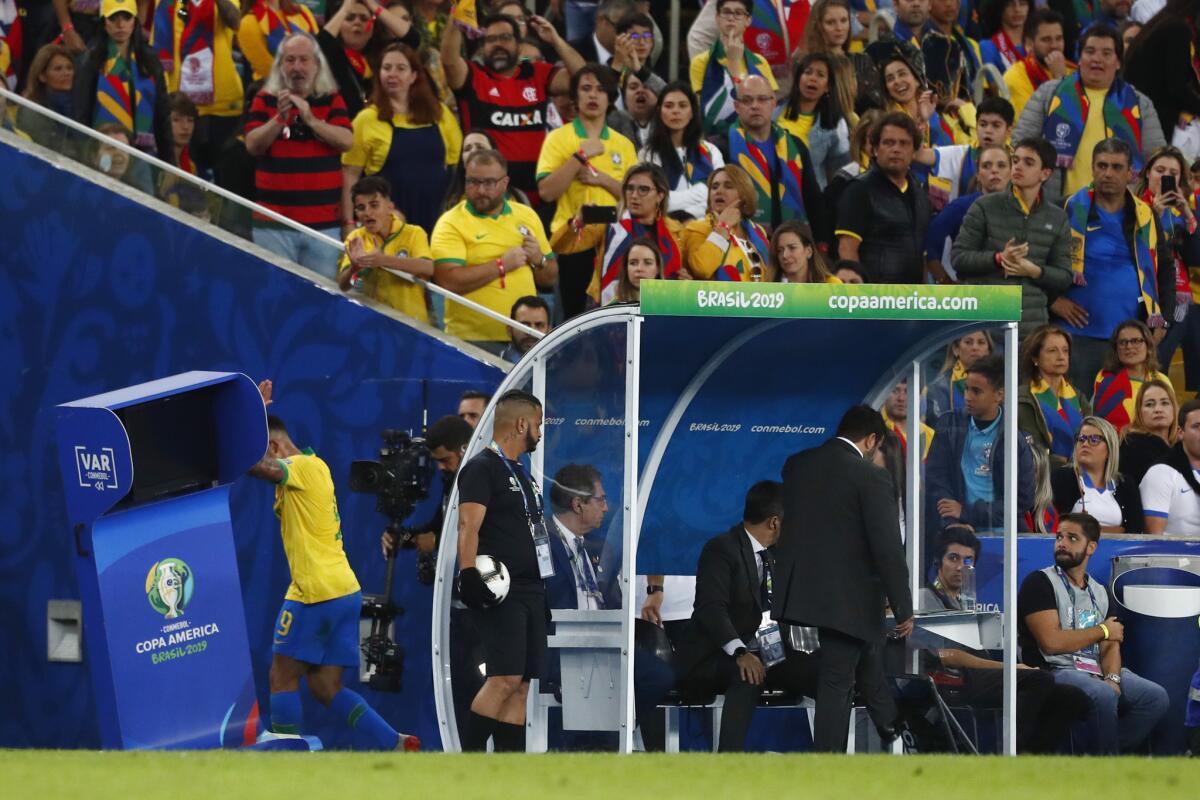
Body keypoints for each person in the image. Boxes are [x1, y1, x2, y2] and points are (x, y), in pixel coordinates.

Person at [248, 382, 420, 751]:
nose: (269, 459)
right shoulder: (316, 468)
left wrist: (249, 416)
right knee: (326, 687)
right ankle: (395, 742)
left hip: (314, 592)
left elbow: (257, 466)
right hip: (344, 591)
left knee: (281, 675)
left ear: (277, 447)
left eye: (269, 451)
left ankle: (287, 757)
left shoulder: (301, 466)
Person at [774, 406, 915, 752]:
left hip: (801, 592)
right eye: (876, 447)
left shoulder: (797, 465)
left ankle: (894, 732)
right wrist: (903, 605)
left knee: (867, 660)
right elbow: (887, 548)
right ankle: (828, 767)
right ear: (870, 440)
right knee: (838, 679)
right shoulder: (872, 477)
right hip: (848, 598)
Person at [675, 481, 822, 752]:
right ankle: (729, 768)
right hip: (719, 655)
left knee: (829, 675)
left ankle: (829, 763)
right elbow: (711, 608)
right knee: (748, 675)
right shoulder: (721, 549)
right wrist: (740, 652)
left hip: (770, 653)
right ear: (775, 522)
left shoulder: (778, 554)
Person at [918, 528, 1092, 753]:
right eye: (953, 558)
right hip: (953, 682)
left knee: (1072, 697)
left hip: (978, 678)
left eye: (968, 560)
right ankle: (1009, 755)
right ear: (937, 562)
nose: (961, 566)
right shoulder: (927, 596)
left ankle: (1033, 761)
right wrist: (1009, 668)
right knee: (1038, 680)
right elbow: (948, 657)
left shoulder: (965, 600)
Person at [544, 463, 674, 750]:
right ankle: (597, 743)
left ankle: (606, 736)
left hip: (605, 643)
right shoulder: (543, 542)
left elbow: (610, 596)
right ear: (578, 504)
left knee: (659, 675)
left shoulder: (598, 546)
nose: (606, 507)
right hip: (562, 648)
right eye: (601, 499)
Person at [1018, 512, 1170, 753]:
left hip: (1096, 668)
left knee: (1155, 697)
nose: (1062, 543)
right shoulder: (1039, 582)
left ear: (1091, 547)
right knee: (1102, 695)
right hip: (1054, 669)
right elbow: (1051, 643)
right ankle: (1105, 766)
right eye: (1059, 536)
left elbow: (1111, 643)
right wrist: (1102, 631)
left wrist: (1113, 678)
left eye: (1072, 538)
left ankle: (1092, 754)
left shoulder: (1099, 590)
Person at [454, 389, 548, 752]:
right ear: (521, 423)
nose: (540, 433)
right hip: (502, 592)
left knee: (522, 684)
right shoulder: (481, 467)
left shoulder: (524, 473)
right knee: (504, 679)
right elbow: (468, 526)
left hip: (532, 590)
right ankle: (467, 768)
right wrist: (467, 574)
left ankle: (510, 776)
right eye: (538, 425)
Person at [1054, 139, 1171, 391]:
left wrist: (1165, 319)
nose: (1108, 173)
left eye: (1117, 167)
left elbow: (1166, 271)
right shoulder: (1066, 209)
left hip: (1130, 341)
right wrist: (1053, 300)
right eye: (1102, 166)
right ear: (1093, 169)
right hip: (1077, 338)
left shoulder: (1145, 215)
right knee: (1081, 418)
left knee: (1126, 418)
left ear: (1130, 173)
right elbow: (1040, 261)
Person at [1012, 24, 1165, 205]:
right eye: (1090, 51)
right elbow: (1020, 145)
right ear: (1079, 58)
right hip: (1057, 209)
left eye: (1106, 53)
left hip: (1120, 211)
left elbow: (1157, 161)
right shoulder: (1050, 93)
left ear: (1118, 62)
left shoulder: (1140, 103)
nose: (1096, 59)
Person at [442, 13, 584, 206]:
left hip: (539, 196)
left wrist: (556, 41)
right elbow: (449, 61)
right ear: (483, 47)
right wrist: (458, 15)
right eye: (490, 39)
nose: (498, 44)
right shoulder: (474, 76)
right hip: (489, 195)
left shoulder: (536, 73)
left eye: (505, 38)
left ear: (519, 44)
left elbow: (583, 78)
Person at [244, 33, 352, 278]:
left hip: (323, 226)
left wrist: (311, 119)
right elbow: (252, 145)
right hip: (272, 224)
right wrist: (279, 119)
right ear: (280, 66)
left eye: (304, 60)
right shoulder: (265, 99)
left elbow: (346, 141)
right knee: (274, 298)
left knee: (320, 302)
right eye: (290, 60)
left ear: (316, 65)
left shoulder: (331, 98)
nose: (297, 67)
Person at [431, 149, 557, 352]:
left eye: (489, 183)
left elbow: (549, 277)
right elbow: (447, 280)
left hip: (524, 339)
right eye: (473, 182)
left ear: (505, 183)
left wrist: (538, 260)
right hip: (472, 340)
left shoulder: (527, 216)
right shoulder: (451, 223)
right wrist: (501, 265)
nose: (480, 190)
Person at [537, 64, 637, 317]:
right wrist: (579, 157)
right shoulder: (558, 138)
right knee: (571, 319)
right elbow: (547, 192)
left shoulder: (623, 144)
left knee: (612, 317)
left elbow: (637, 198)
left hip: (614, 241)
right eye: (586, 88)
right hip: (573, 240)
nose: (593, 95)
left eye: (601, 90)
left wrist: (602, 179)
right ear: (575, 96)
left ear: (610, 97)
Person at [951, 137, 1073, 336]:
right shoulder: (984, 206)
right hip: (987, 324)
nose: (1018, 167)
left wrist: (1034, 271)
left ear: (1046, 173)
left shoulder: (1058, 217)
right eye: (1015, 161)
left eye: (1028, 162)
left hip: (1032, 329)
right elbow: (958, 258)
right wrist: (999, 259)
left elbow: (1064, 277)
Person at [341, 43, 461, 236]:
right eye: (386, 68)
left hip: (437, 220)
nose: (392, 74)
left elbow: (455, 169)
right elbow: (350, 175)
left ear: (414, 76)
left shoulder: (440, 114)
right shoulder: (367, 119)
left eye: (400, 68)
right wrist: (348, 222)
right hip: (388, 225)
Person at [926, 354, 1036, 534]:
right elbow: (937, 481)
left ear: (999, 395)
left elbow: (1021, 501)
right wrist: (953, 522)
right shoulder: (949, 427)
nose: (968, 396)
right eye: (966, 389)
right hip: (955, 530)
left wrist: (966, 513)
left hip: (1004, 536)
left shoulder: (1016, 440)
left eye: (976, 391)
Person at [551, 164, 683, 306]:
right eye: (629, 188)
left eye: (643, 190)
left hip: (662, 309)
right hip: (609, 310)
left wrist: (686, 281)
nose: (634, 195)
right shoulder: (609, 225)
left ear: (660, 195)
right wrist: (578, 222)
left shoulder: (677, 231)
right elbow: (560, 246)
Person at [836, 111, 932, 284]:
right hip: (875, 299)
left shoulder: (920, 191)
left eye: (904, 144)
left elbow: (921, 253)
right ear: (874, 149)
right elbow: (847, 249)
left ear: (913, 152)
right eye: (889, 143)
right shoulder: (858, 189)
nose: (896, 149)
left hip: (912, 299)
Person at [151, 0, 244, 173]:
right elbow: (158, 52)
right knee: (185, 176)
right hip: (182, 108)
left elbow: (236, 21)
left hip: (224, 105)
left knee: (225, 177)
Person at [71, 0, 172, 160]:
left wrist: (170, 163)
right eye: (114, 18)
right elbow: (81, 113)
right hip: (102, 152)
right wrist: (84, 158)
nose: (121, 24)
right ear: (104, 22)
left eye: (127, 17)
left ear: (135, 22)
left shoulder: (149, 59)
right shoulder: (91, 60)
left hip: (144, 155)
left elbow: (162, 114)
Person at [727, 74, 824, 234]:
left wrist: (822, 244)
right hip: (741, 239)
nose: (755, 106)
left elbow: (812, 198)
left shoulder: (796, 146)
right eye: (747, 100)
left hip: (792, 240)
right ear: (737, 106)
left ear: (773, 103)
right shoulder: (724, 146)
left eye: (762, 99)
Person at [1135, 147, 1200, 376]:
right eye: (1160, 170)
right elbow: (1137, 249)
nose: (1166, 177)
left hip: (1176, 299)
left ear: (1181, 178)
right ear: (1147, 173)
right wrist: (1154, 214)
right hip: (1140, 296)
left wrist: (1190, 216)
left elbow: (1195, 258)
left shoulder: (1183, 213)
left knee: (1160, 368)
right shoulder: (1132, 206)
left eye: (1173, 172)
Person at [337, 175, 432, 323]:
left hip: (411, 324)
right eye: (361, 208)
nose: (367, 213)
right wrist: (354, 270)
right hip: (372, 321)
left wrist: (383, 260)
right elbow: (344, 285)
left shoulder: (414, 233)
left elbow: (427, 268)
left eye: (374, 205)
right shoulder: (356, 238)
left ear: (390, 207)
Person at [924, 142, 1012, 284]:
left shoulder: (1021, 208)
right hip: (971, 292)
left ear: (1011, 172)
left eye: (1001, 165)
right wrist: (945, 281)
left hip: (1010, 293)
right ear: (977, 174)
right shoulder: (961, 207)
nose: (994, 170)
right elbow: (928, 244)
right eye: (986, 166)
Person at [637, 82, 724, 220]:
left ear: (692, 112)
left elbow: (721, 196)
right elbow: (652, 201)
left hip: (707, 229)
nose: (675, 111)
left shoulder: (711, 151)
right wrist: (703, 191)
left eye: (682, 106)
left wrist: (675, 199)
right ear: (659, 111)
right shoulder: (648, 154)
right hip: (666, 228)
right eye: (668, 106)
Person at [317, 0, 418, 120]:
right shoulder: (332, 54)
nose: (357, 22)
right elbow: (320, 43)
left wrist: (374, 6)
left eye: (364, 18)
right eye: (350, 18)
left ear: (372, 28)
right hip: (345, 127)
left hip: (381, 125)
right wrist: (345, 8)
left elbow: (413, 38)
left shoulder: (384, 54)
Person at [691, 0, 777, 136]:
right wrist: (734, 64)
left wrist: (735, 63)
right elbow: (707, 113)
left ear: (748, 20)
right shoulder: (701, 62)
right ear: (717, 18)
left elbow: (767, 109)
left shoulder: (760, 62)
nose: (731, 18)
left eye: (738, 13)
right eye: (726, 12)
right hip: (716, 138)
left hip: (754, 137)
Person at [918, 95, 1014, 212]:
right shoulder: (960, 154)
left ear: (1009, 131)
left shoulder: (1018, 162)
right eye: (983, 124)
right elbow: (918, 155)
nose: (988, 130)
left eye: (996, 125)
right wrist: (923, 121)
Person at [1051, 416, 1144, 532]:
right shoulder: (1062, 478)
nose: (1085, 444)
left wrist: (1087, 530)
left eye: (1094, 439)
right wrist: (1117, 530)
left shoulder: (1126, 484)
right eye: (1081, 438)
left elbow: (1135, 530)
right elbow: (1056, 527)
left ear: (1110, 448)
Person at [1018, 324, 1092, 469]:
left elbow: (1094, 435)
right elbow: (1032, 449)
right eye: (1052, 351)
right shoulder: (1023, 398)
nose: (1061, 356)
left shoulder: (1078, 396)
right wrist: (1062, 463)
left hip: (1081, 473)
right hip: (1044, 477)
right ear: (1035, 358)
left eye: (1065, 351)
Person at [1123, 0, 1200, 138]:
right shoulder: (1177, 29)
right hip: (1151, 121)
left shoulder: (1164, 22)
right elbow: (1177, 87)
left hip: (1139, 114)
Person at [681, 165, 770, 281]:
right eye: (714, 187)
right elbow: (702, 269)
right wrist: (723, 226)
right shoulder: (697, 228)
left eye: (728, 186)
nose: (719, 191)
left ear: (744, 194)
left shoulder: (757, 231)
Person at [778, 53, 852, 191]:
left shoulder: (835, 123)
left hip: (811, 197)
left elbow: (842, 170)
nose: (813, 78)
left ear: (828, 86)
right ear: (798, 78)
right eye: (808, 72)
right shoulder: (774, 110)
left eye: (820, 75)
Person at [1092, 319, 1173, 433]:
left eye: (1136, 341)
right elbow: (1097, 420)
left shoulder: (1161, 380)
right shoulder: (1104, 377)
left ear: (1148, 347)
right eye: (1123, 342)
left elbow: (1171, 420)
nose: (1129, 347)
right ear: (1116, 349)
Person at [804, 0, 884, 114]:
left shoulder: (862, 61)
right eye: (830, 22)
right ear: (818, 26)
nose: (839, 28)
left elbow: (877, 108)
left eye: (844, 21)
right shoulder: (806, 65)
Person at [1140, 398, 1200, 535]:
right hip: (1173, 555)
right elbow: (1153, 537)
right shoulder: (1161, 473)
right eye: (1197, 426)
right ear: (1180, 432)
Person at [1002, 7, 1073, 121]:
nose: (1054, 45)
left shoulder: (1073, 72)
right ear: (1029, 44)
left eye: (1059, 39)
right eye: (1046, 40)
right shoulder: (1015, 77)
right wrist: (1059, 80)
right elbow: (1032, 123)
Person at [237, 0, 318, 83]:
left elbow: (319, 52)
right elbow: (269, 70)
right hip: (276, 90)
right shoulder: (248, 23)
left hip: (315, 85)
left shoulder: (302, 11)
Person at [1119, 378, 1179, 487]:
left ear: (1174, 409)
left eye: (1165, 403)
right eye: (1149, 404)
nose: (1158, 409)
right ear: (1139, 412)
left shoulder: (1181, 446)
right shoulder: (1132, 446)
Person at [14, 42, 75, 148]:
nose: (66, 73)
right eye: (58, 69)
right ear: (42, 76)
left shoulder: (78, 106)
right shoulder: (32, 109)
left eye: (69, 68)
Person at [926, 331, 995, 423]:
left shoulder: (1002, 385)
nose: (975, 347)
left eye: (981, 342)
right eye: (968, 342)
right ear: (956, 349)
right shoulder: (937, 389)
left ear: (988, 351)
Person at [568, 0, 635, 66]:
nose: (627, 35)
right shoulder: (573, 52)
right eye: (621, 28)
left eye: (631, 31)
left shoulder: (637, 53)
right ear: (601, 21)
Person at [767, 221, 837, 284]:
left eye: (792, 248)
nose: (785, 255)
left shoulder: (832, 285)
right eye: (780, 250)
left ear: (809, 251)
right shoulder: (768, 289)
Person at [882, 377, 935, 460]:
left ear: (920, 397)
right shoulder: (874, 431)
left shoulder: (931, 436)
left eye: (908, 391)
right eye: (895, 391)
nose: (901, 398)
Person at [978, 0, 1029, 72]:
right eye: (1010, 4)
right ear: (1000, 8)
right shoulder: (987, 47)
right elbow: (993, 82)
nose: (1017, 9)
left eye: (1023, 3)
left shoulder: (1039, 42)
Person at [498, 295, 550, 363]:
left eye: (539, 325)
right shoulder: (496, 363)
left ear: (549, 331)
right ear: (510, 330)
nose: (532, 332)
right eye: (524, 325)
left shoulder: (561, 366)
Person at [607, 237, 661, 302]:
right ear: (626, 268)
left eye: (648, 263)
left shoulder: (673, 304)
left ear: (658, 268)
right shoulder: (611, 309)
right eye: (633, 263)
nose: (639, 268)